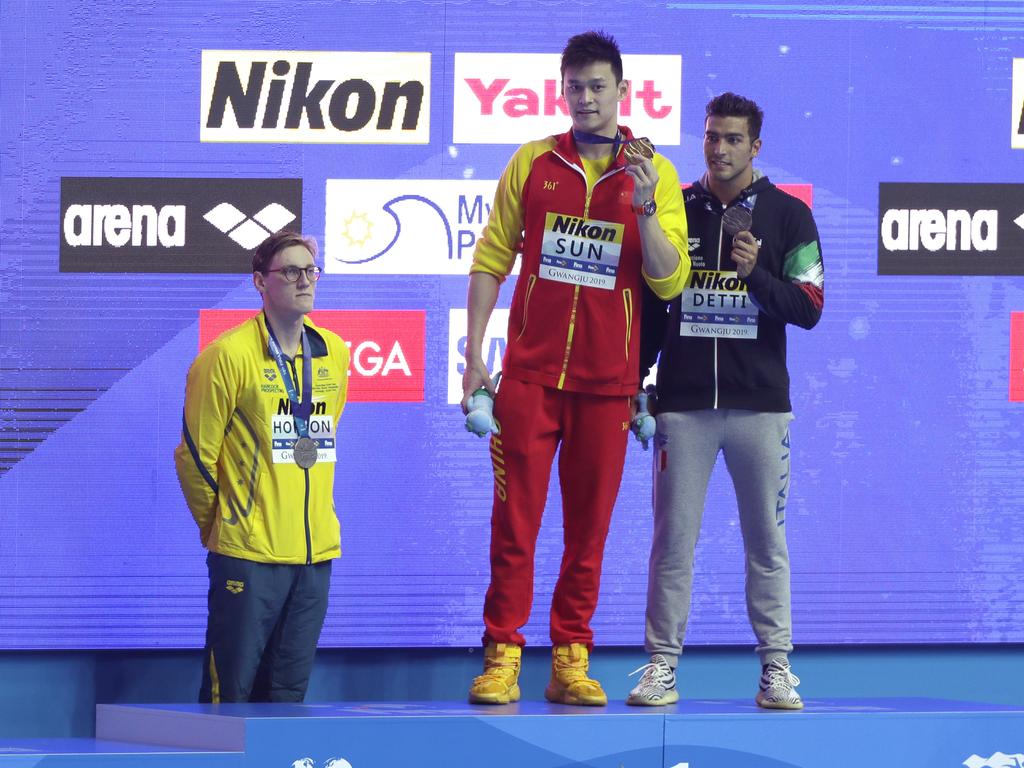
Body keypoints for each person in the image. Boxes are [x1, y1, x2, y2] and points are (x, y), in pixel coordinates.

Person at [461, 30, 690, 706]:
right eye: (576, 87)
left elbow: (669, 281)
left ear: (624, 92)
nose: (586, 98)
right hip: (528, 381)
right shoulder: (532, 162)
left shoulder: (658, 173)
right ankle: (502, 655)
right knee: (514, 527)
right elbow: (491, 259)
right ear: (563, 91)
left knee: (588, 533)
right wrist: (474, 355)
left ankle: (570, 660)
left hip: (608, 386)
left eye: (599, 87)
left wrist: (645, 205)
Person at [627, 92, 824, 710]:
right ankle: (660, 666)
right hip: (682, 406)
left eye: (733, 139)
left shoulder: (790, 215)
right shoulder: (677, 208)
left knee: (767, 541)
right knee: (672, 540)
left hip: (761, 409)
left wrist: (756, 276)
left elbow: (811, 308)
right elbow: (654, 306)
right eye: (712, 136)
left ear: (756, 145)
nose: (719, 148)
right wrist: (638, 379)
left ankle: (775, 668)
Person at [174, 230, 350, 703]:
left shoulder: (334, 352)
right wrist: (226, 527)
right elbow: (195, 456)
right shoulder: (226, 356)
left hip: (314, 557)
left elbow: (320, 439)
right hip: (248, 556)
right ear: (259, 282)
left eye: (310, 270)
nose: (304, 280)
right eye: (290, 271)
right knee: (228, 694)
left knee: (288, 696)